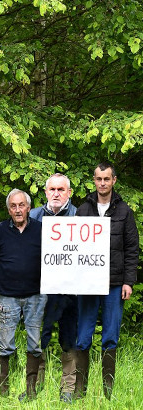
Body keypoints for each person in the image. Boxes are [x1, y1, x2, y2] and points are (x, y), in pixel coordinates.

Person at [74, 162, 139, 400]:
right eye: (99, 179)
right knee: (83, 336)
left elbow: (132, 249)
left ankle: (107, 394)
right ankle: (80, 392)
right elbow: (72, 250)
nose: (103, 183)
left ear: (114, 181)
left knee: (110, 336)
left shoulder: (125, 212)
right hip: (88, 285)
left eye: (107, 179)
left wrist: (128, 282)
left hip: (114, 284)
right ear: (94, 180)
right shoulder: (82, 210)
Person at [0, 189, 45, 401]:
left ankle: (31, 391)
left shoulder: (40, 229)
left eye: (22, 205)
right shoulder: (1, 230)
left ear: (29, 207)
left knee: (34, 342)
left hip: (36, 296)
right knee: (5, 342)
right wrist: (4, 282)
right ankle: (3, 392)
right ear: (9, 209)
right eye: (14, 206)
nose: (18, 209)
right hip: (8, 297)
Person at [29, 173, 77, 402]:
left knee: (69, 339)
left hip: (70, 290)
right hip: (40, 289)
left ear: (69, 192)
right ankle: (35, 387)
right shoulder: (33, 216)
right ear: (46, 192)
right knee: (38, 338)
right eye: (52, 189)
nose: (56, 193)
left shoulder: (81, 216)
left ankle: (67, 390)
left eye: (61, 189)